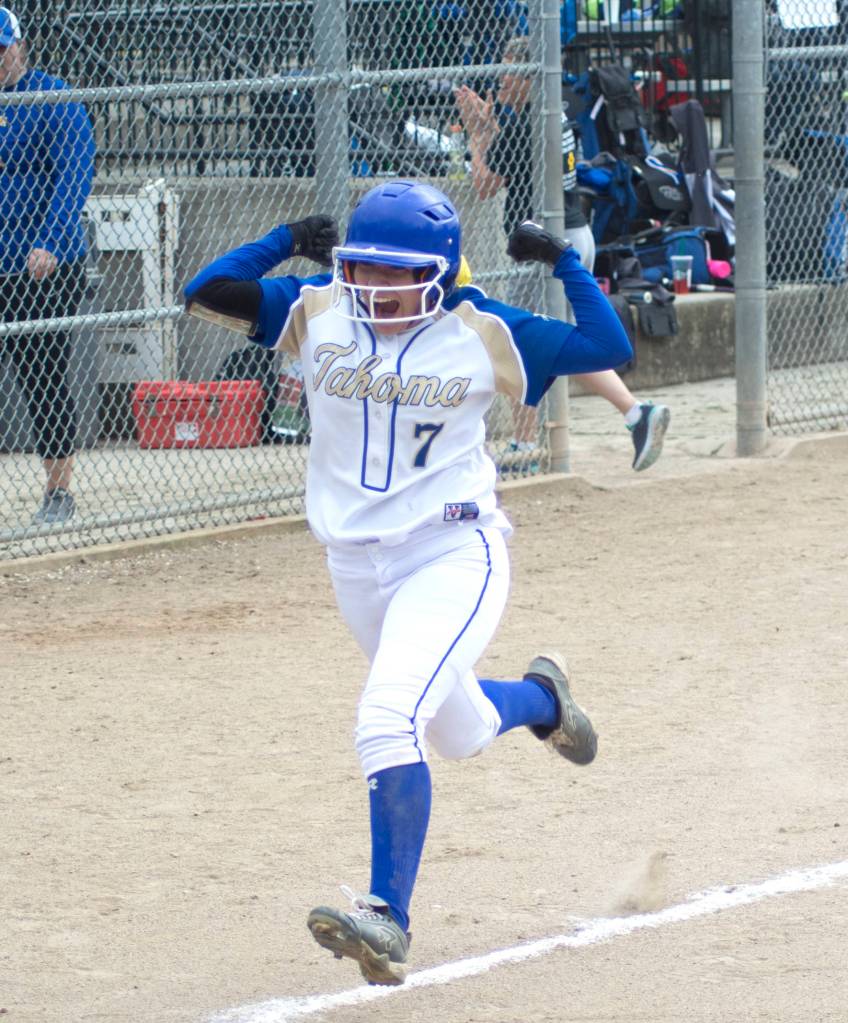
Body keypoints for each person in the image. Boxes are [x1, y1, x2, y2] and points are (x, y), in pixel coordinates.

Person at [183, 179, 631, 985]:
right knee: (454, 731)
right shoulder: (317, 309)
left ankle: (385, 917)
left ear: (440, 271)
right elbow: (205, 291)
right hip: (355, 564)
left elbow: (608, 348)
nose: (377, 288)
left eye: (398, 274)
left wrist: (566, 261)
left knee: (387, 715)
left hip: (452, 552)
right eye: (364, 268)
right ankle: (544, 701)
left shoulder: (483, 329)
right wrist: (286, 236)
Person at [454, 35, 671, 472]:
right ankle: (634, 413)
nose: (502, 78)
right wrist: (492, 131)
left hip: (541, 247)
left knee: (521, 340)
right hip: (573, 235)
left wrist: (478, 134)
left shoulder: (521, 126)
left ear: (530, 76)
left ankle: (522, 444)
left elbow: (484, 185)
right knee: (562, 343)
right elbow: (516, 162)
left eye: (511, 70)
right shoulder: (558, 112)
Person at [0, 7, 96, 523]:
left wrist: (51, 242)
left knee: (42, 375)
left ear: (19, 46)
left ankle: (59, 492)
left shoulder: (53, 99)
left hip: (41, 268)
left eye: (1, 50)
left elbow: (73, 177)